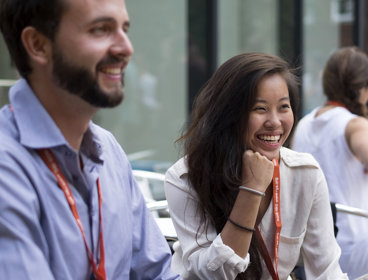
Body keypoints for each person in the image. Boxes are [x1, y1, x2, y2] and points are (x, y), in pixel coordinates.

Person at [0, 0, 179, 279]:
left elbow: (158, 273)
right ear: (38, 44)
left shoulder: (108, 149)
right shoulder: (6, 166)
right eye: (101, 29)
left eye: (124, 29)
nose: (126, 48)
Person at [164, 52, 348, 279]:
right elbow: (214, 274)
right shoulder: (185, 177)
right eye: (260, 109)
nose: (275, 122)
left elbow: (326, 272)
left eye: (283, 107)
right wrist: (251, 189)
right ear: (229, 114)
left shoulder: (305, 173)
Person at [292, 46, 368, 279]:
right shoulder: (354, 125)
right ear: (362, 90)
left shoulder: (303, 124)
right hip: (353, 248)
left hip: (310, 250)